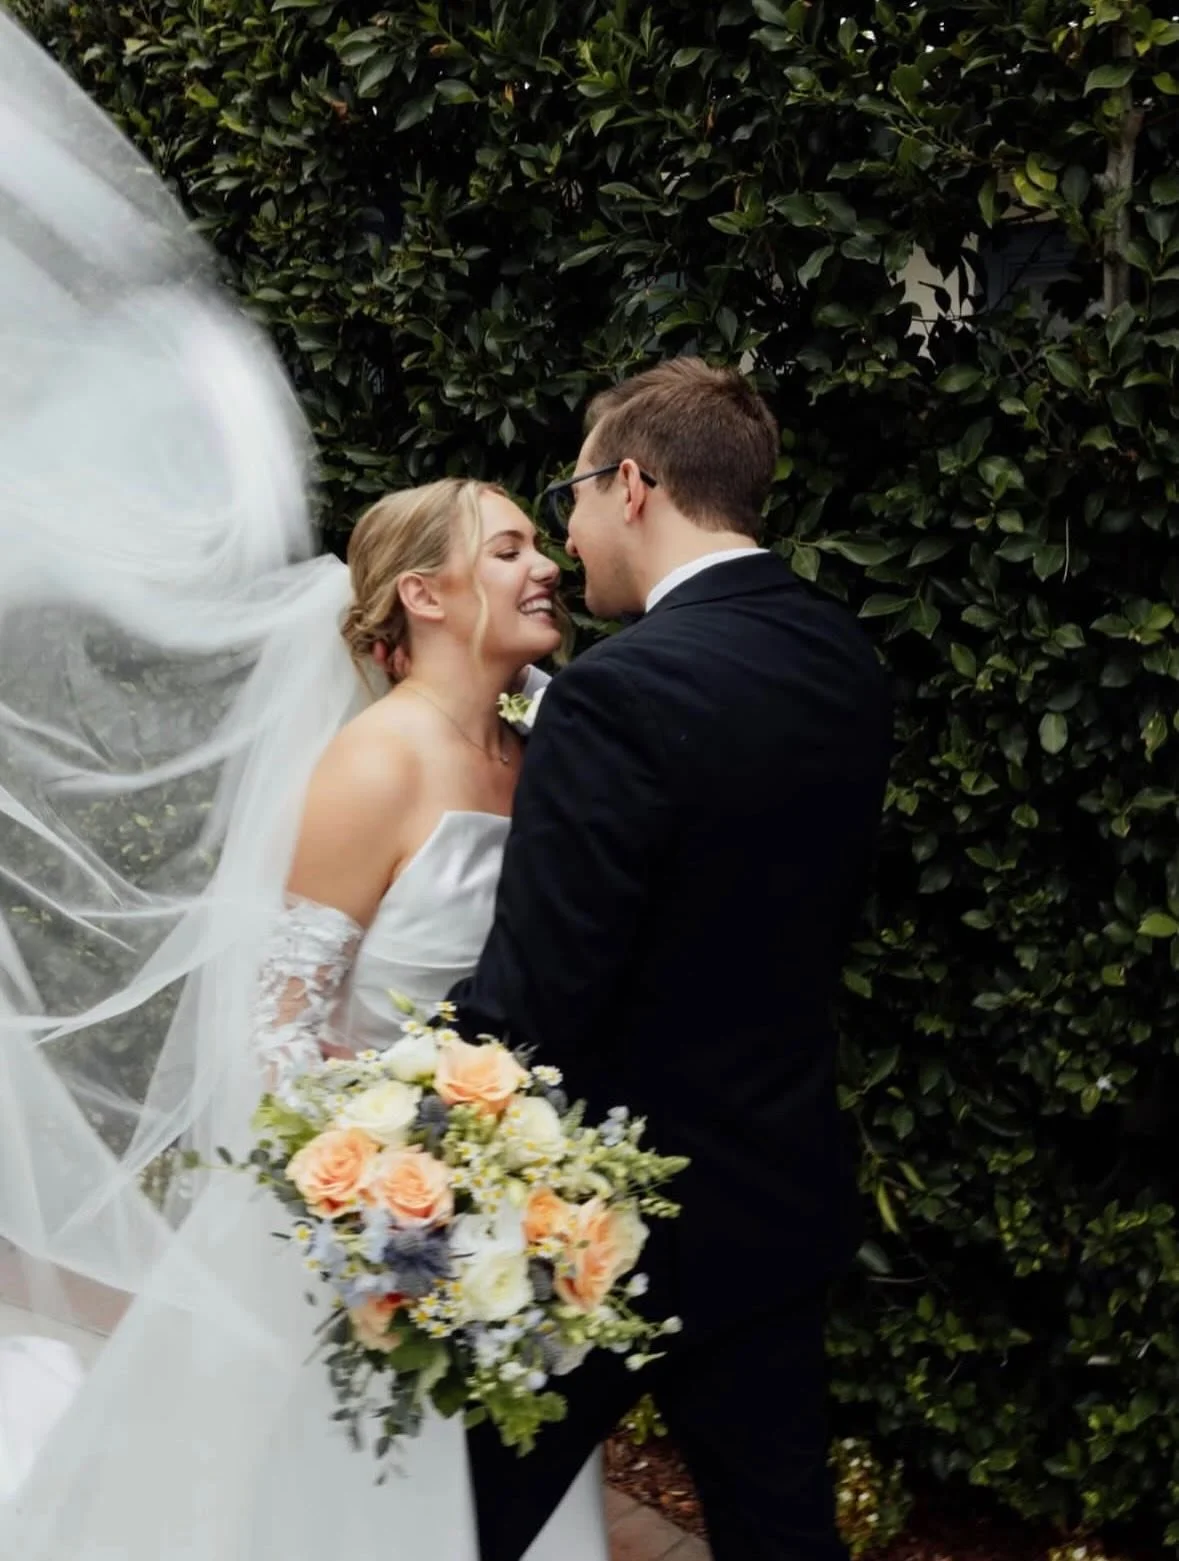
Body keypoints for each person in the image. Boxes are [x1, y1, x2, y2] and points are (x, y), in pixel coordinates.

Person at [453, 358, 894, 1561]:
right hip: (774, 1195)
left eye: (578, 495)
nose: (571, 533)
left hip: (606, 1222)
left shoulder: (616, 693)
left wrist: (406, 1074)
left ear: (634, 483)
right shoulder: (842, 658)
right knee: (777, 1527)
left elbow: (541, 991)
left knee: (459, 1516)